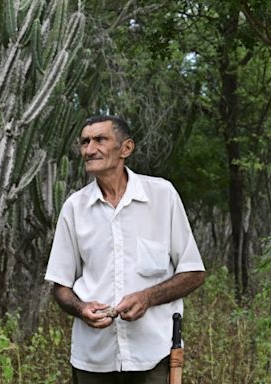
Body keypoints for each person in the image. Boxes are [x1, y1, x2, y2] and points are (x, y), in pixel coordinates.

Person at [45, 115, 205, 384]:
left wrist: (148, 298)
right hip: (93, 358)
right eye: (85, 142)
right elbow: (60, 286)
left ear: (126, 149)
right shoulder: (75, 207)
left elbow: (193, 272)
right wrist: (81, 308)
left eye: (100, 140)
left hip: (153, 354)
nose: (89, 149)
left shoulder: (162, 195)